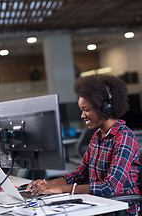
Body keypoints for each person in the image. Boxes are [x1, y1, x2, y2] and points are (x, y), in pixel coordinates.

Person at [27, 74, 141, 215]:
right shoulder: (97, 137)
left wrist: (64, 189)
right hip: (98, 205)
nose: (82, 116)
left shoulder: (124, 137)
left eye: (86, 110)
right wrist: (49, 184)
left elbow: (110, 187)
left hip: (120, 209)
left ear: (105, 107)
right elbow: (80, 174)